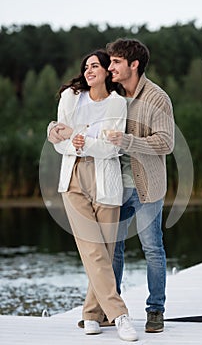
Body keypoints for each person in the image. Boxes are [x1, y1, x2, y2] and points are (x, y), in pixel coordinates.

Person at [47, 49, 138, 342]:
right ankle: (120, 315)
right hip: (74, 178)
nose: (88, 70)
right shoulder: (70, 98)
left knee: (105, 252)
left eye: (95, 65)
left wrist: (86, 141)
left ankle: (90, 313)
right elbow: (59, 141)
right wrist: (75, 144)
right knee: (92, 249)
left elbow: (114, 149)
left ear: (106, 73)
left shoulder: (117, 103)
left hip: (106, 180)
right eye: (86, 66)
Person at [105, 38, 175, 333]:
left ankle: (155, 310)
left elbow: (168, 142)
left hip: (147, 188)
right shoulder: (111, 96)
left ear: (133, 64)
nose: (110, 68)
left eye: (116, 62)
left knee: (152, 249)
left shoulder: (157, 98)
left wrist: (127, 141)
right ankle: (114, 311)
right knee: (113, 251)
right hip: (113, 189)